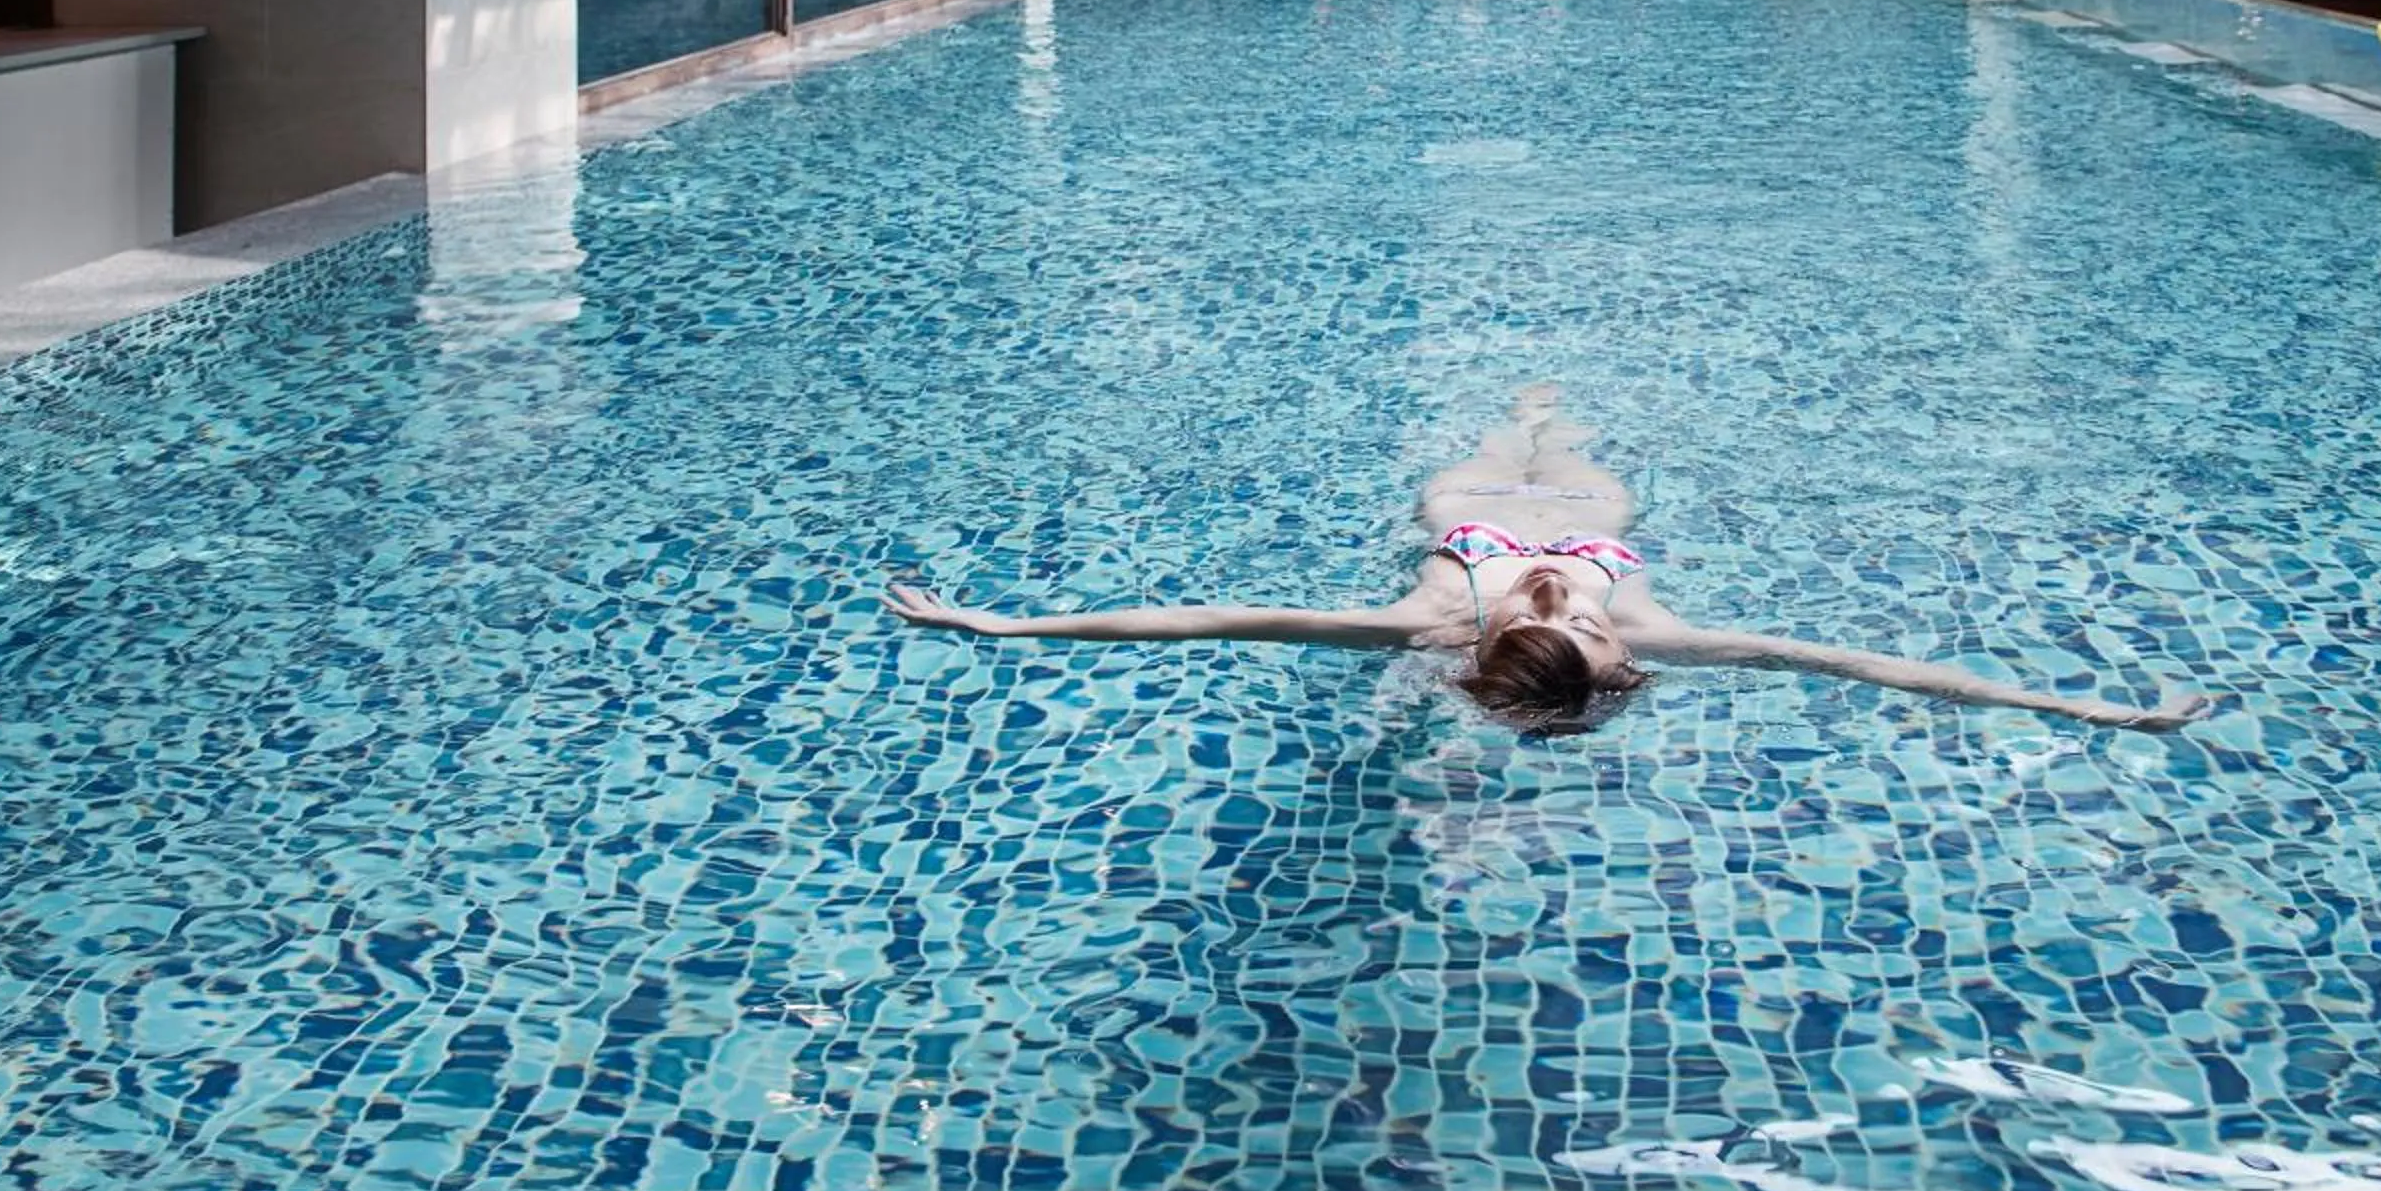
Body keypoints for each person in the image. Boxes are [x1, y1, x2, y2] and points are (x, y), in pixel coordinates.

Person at [885, 388, 2214, 736]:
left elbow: (1221, 619)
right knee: (1549, 450)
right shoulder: (1644, 632)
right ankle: (1532, 419)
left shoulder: (1432, 621)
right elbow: (1865, 666)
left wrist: (1009, 632)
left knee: (1512, 447)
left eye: (1602, 645)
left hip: (1467, 518)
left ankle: (1526, 417)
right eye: (1613, 646)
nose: (1622, 643)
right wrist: (2095, 709)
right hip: (1574, 513)